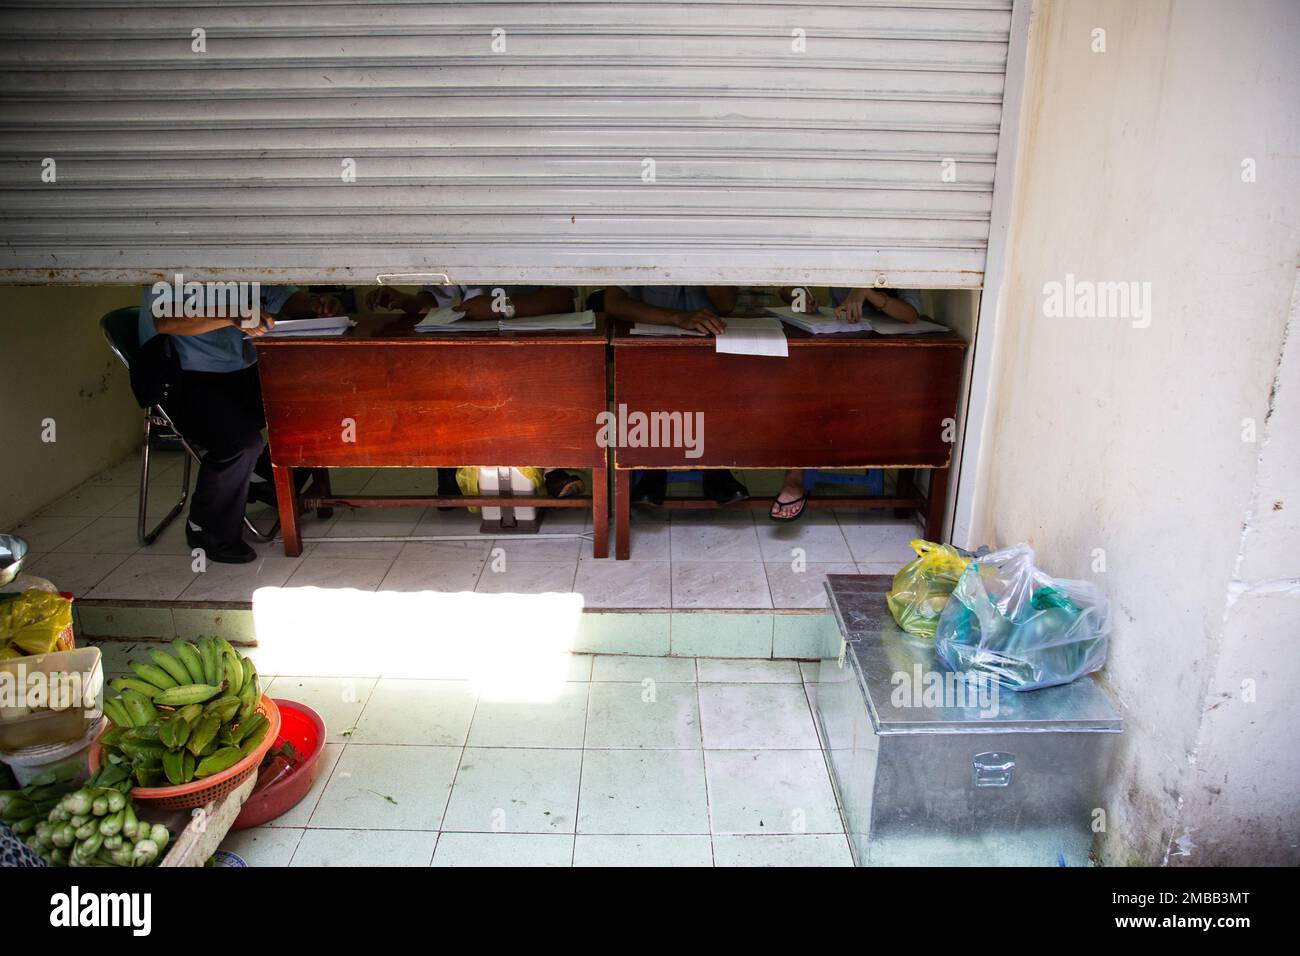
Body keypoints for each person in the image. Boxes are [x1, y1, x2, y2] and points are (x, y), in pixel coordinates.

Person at [139, 284, 343, 563]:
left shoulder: (245, 255)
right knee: (240, 442)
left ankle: (261, 479)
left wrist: (316, 304)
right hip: (182, 378)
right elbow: (166, 320)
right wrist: (234, 316)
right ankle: (205, 526)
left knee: (315, 411)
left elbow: (286, 297)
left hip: (241, 371)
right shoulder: (171, 264)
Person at [366, 283, 587, 499]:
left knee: (537, 383)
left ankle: (551, 469)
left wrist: (500, 307)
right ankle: (451, 470)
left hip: (533, 341)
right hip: (474, 344)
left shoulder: (539, 246)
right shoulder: (461, 248)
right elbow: (436, 299)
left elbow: (562, 297)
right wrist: (407, 301)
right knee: (446, 381)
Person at [769, 285, 924, 521]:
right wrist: (800, 297)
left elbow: (911, 314)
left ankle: (851, 450)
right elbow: (786, 286)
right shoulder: (841, 253)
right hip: (843, 344)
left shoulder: (896, 257)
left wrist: (866, 293)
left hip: (891, 357)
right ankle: (795, 476)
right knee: (803, 390)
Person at [602, 286, 749, 505]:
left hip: (708, 341)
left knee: (721, 386)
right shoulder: (642, 250)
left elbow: (726, 305)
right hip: (651, 336)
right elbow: (613, 303)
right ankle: (654, 469)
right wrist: (676, 318)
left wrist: (699, 255)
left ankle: (716, 468)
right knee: (648, 382)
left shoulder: (716, 250)